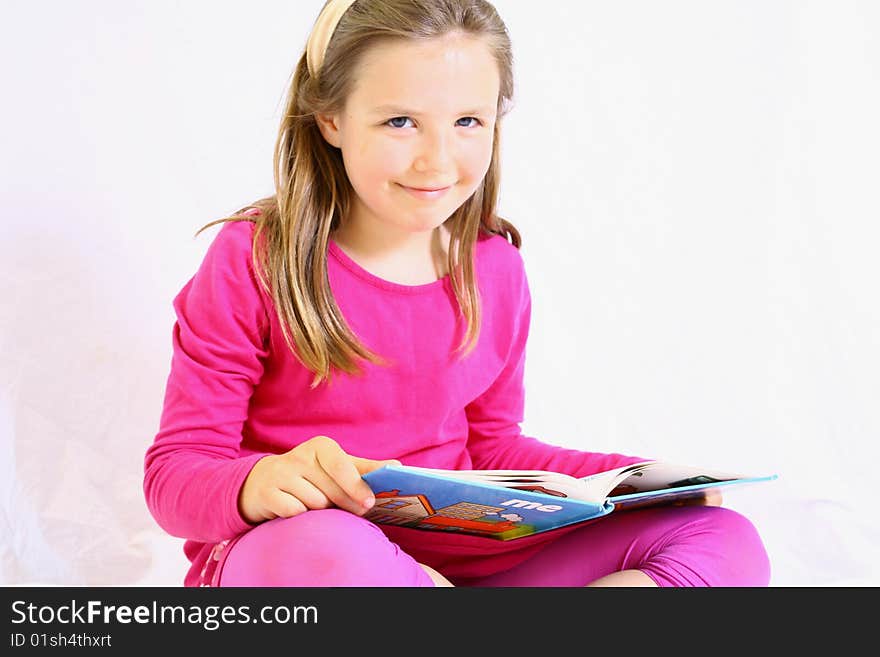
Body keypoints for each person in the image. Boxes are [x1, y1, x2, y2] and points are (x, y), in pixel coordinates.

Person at [143, 0, 771, 587]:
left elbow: (495, 448)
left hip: (455, 556)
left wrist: (640, 481)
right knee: (324, 545)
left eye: (468, 121)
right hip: (307, 554)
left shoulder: (494, 267)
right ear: (330, 119)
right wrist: (260, 481)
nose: (437, 161)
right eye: (400, 122)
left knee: (720, 536)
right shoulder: (252, 259)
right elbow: (175, 473)